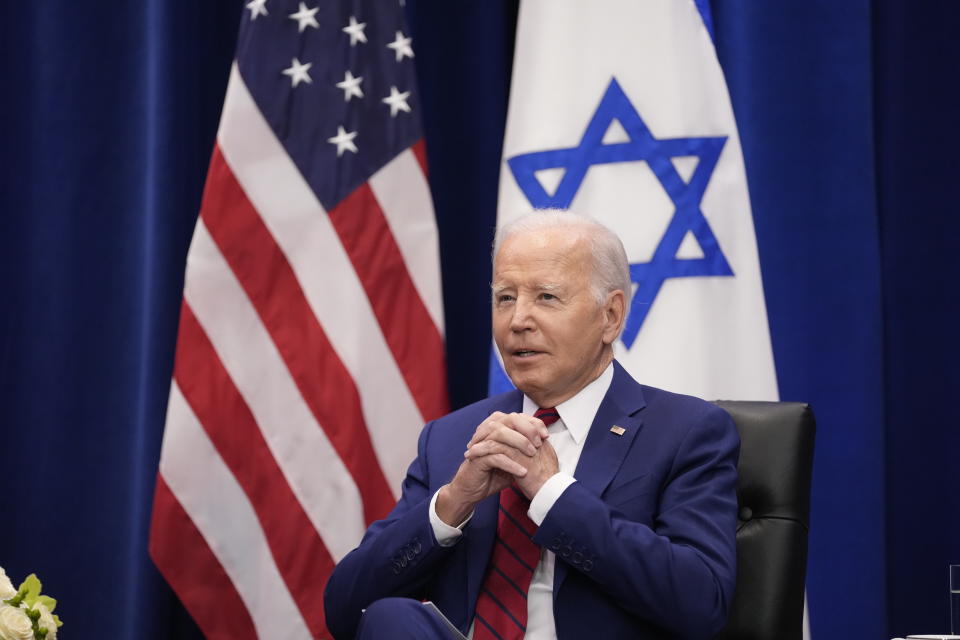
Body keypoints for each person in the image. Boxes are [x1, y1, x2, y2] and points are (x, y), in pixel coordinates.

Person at [324, 211, 740, 639]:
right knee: (391, 618)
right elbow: (344, 609)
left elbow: (700, 603)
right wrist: (452, 504)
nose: (518, 320)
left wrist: (553, 494)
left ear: (610, 316)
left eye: (546, 297)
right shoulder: (451, 438)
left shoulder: (685, 432)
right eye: (505, 298)